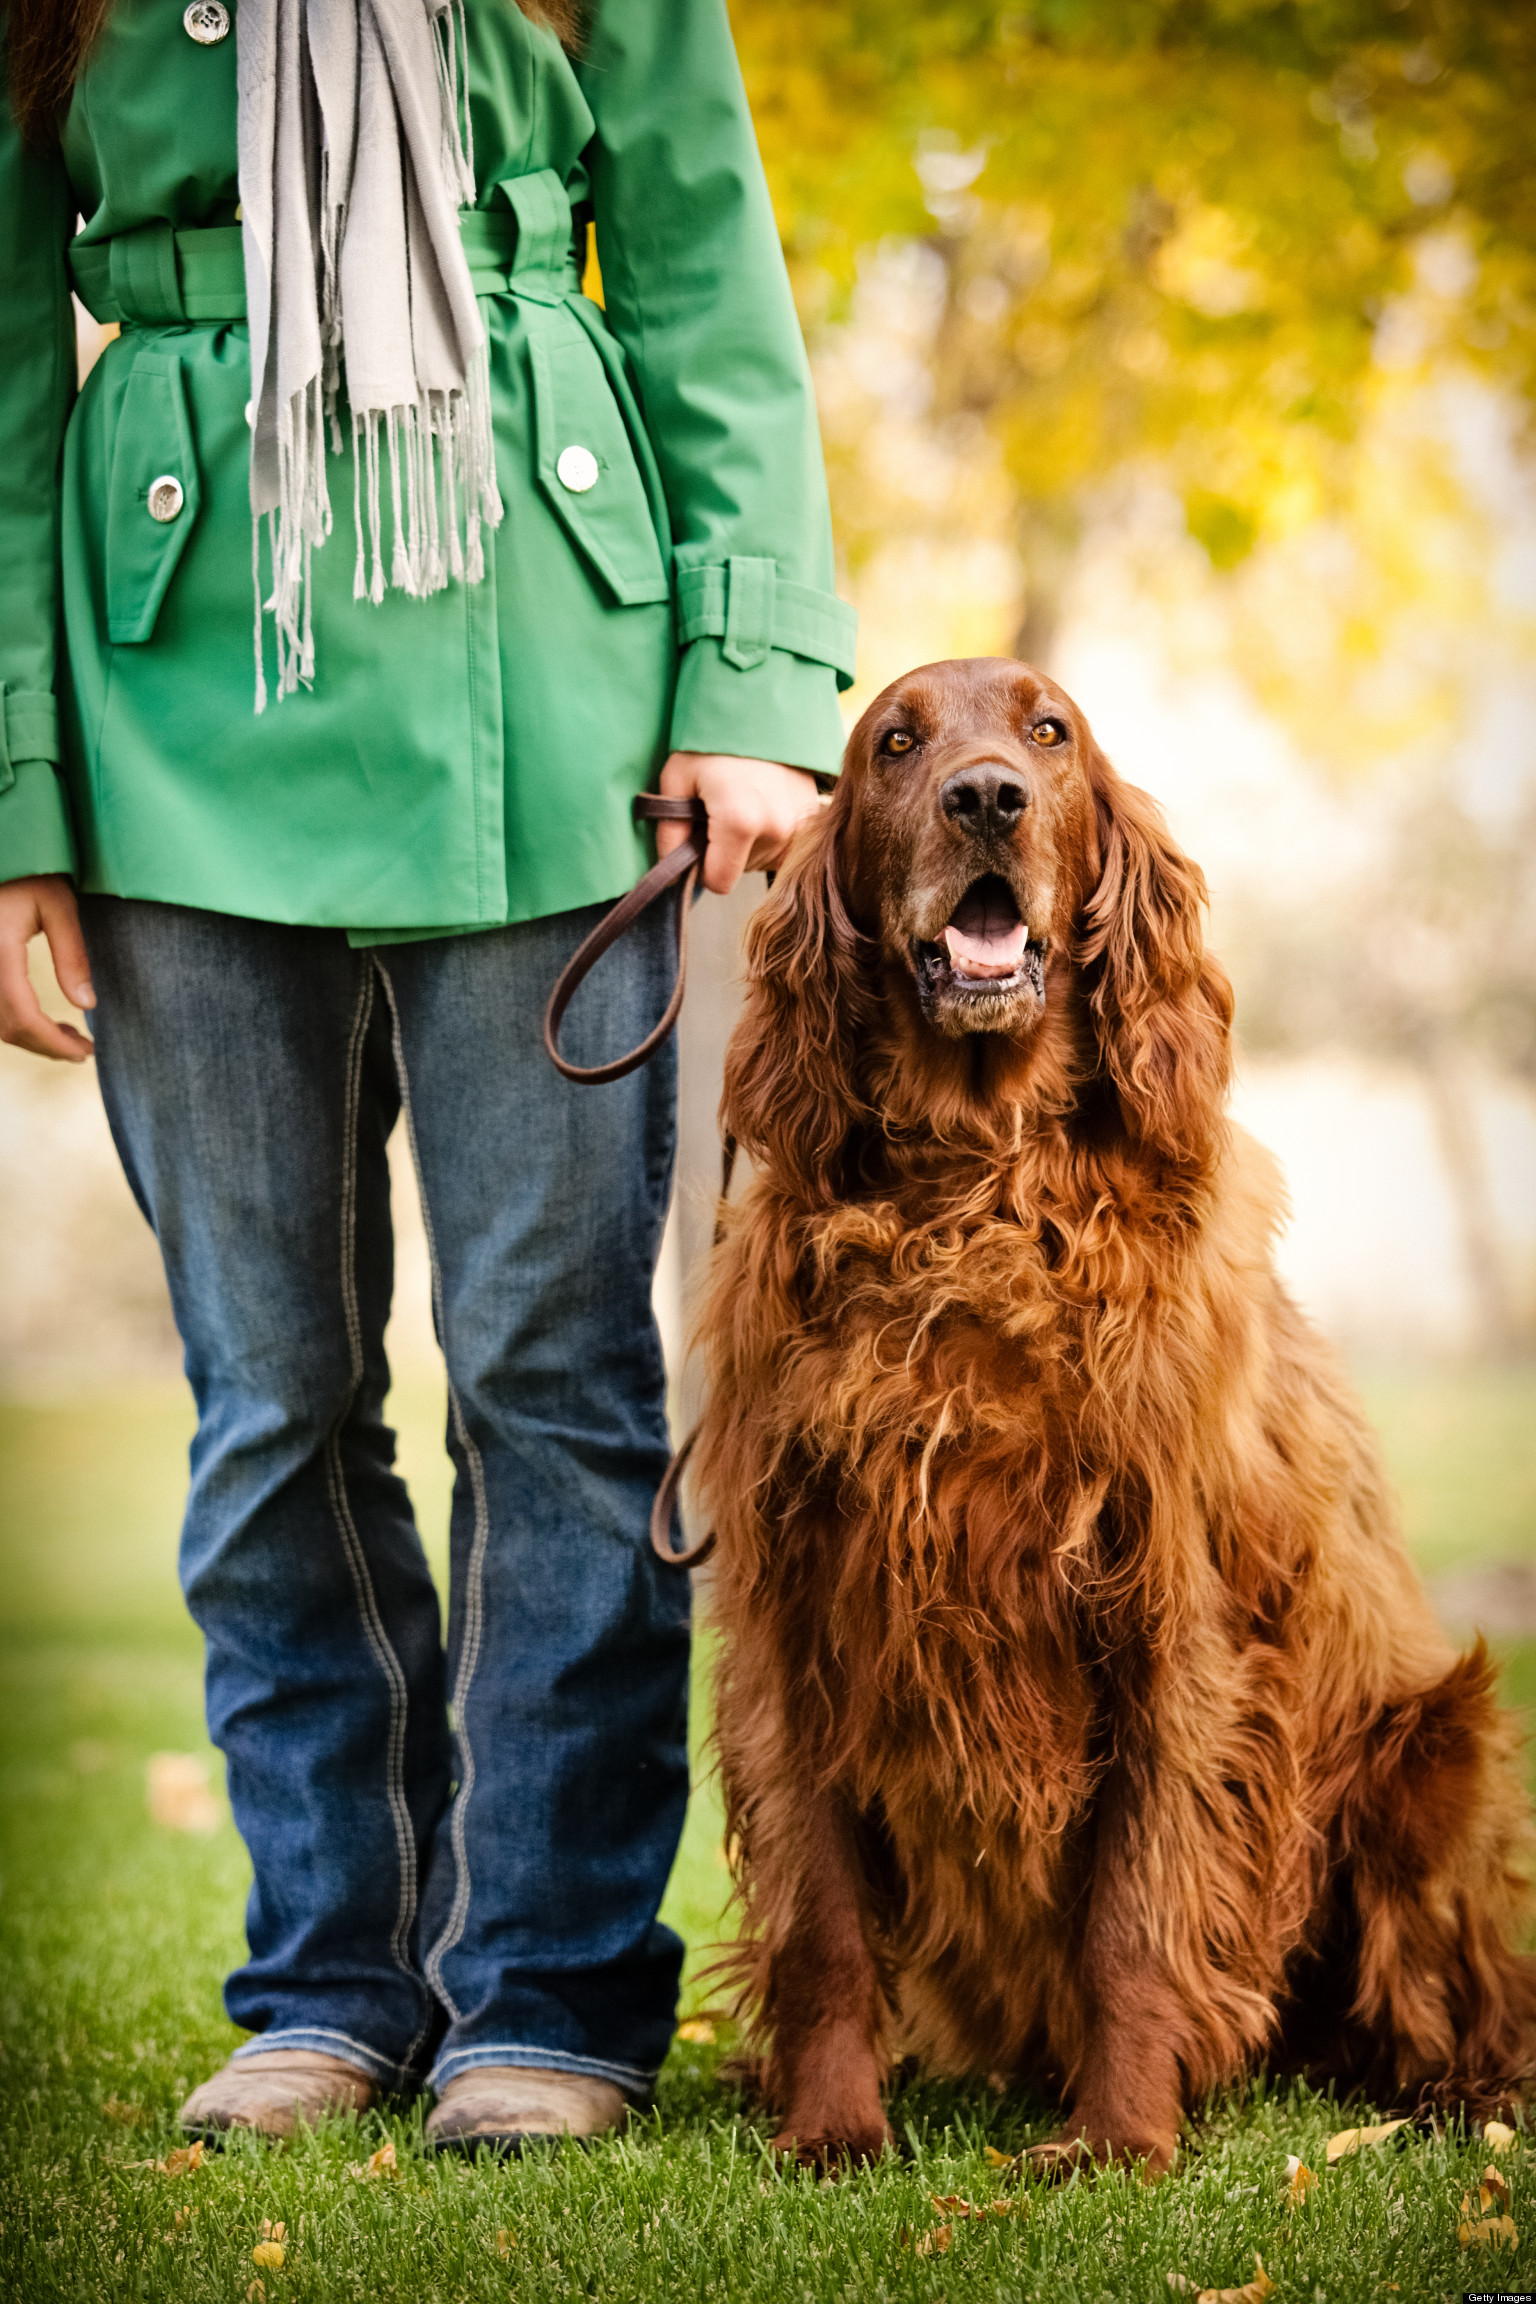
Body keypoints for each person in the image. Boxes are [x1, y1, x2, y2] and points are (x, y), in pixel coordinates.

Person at [0, 0, 853, 2152]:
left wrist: (747, 671)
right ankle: (329, 1983)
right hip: (177, 640)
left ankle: (550, 1999)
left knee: (552, 1368)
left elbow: (697, 258)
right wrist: (12, 787)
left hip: (545, 650)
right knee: (268, 1385)